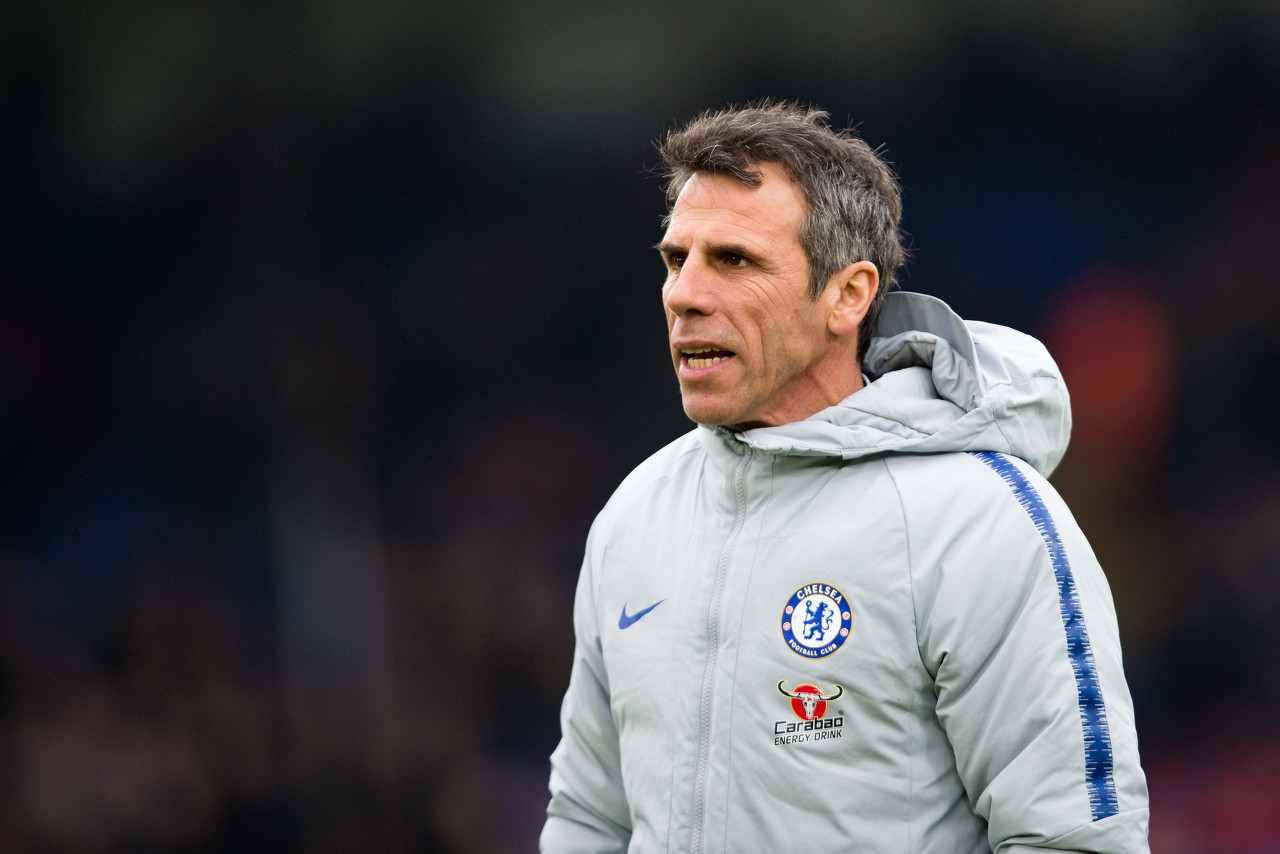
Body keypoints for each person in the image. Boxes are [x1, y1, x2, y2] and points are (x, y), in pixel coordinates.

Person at [541, 102, 1149, 853]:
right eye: (676, 260)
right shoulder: (635, 516)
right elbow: (589, 819)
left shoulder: (982, 522)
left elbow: (1074, 837)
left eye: (734, 260)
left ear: (848, 295)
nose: (684, 294)